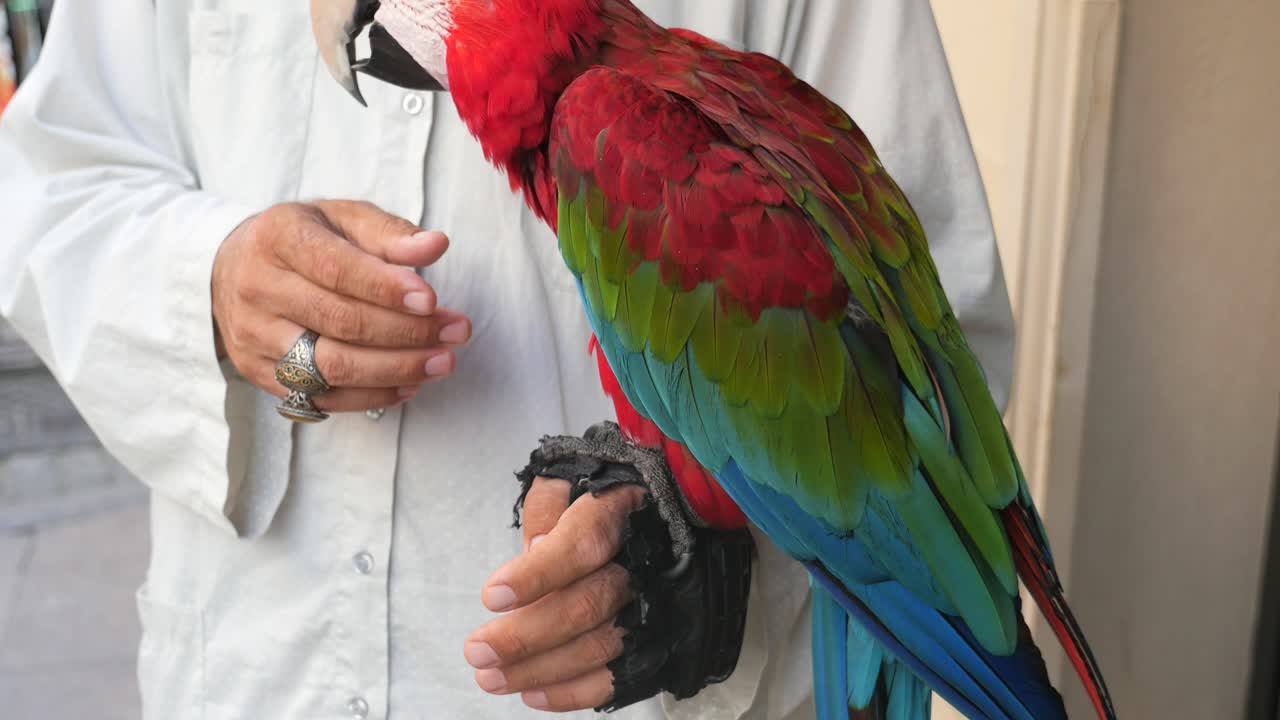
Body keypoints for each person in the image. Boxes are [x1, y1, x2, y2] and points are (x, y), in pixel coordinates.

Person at [0, 1, 1015, 718]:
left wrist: (697, 556)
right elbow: (54, 185)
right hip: (253, 662)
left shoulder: (629, 111)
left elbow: (919, 340)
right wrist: (208, 282)